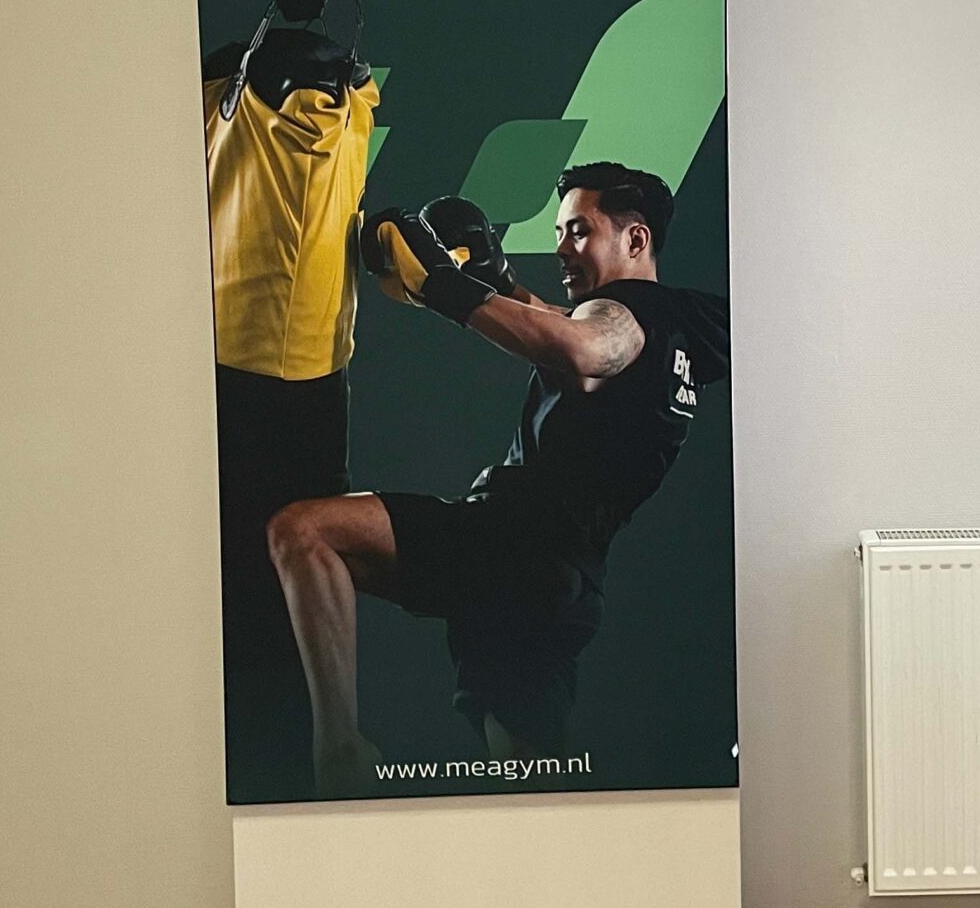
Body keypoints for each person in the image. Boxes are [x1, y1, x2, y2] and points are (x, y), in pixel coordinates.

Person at [266, 161, 729, 796]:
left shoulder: (627, 314)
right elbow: (571, 336)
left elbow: (583, 347)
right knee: (531, 784)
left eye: (578, 231)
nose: (562, 248)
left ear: (636, 239)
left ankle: (339, 748)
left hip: (511, 548)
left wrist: (445, 287)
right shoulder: (672, 331)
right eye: (560, 233)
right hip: (553, 579)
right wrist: (500, 281)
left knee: (305, 531)